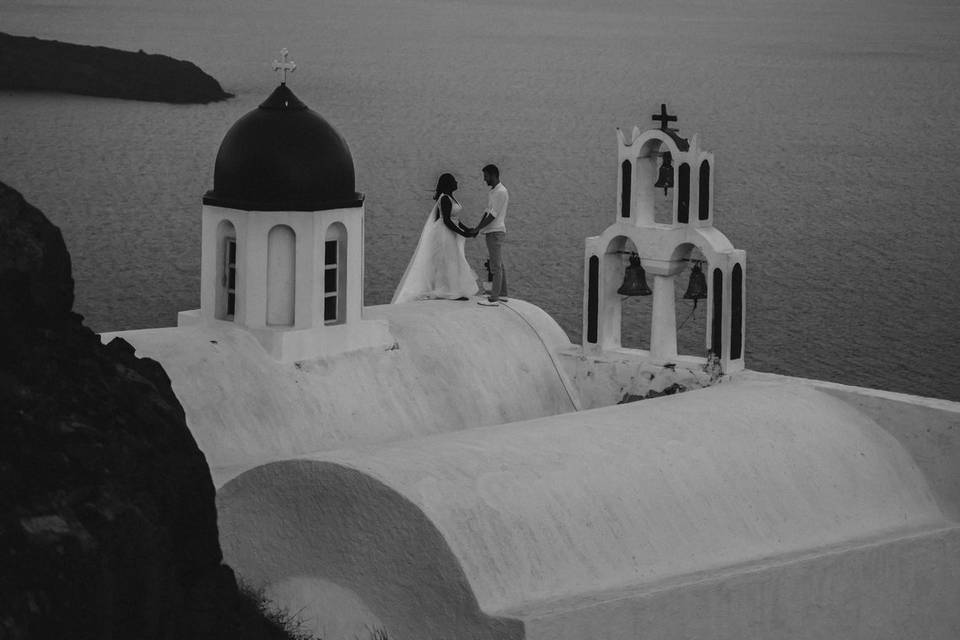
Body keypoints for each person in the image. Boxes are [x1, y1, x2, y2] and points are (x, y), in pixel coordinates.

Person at [391, 173, 482, 304]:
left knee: (453, 260)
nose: (457, 182)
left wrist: (467, 229)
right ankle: (449, 292)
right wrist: (464, 233)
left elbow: (455, 219)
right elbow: (446, 221)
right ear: (449, 184)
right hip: (444, 234)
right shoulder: (444, 198)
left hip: (450, 232)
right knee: (448, 260)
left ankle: (453, 290)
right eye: (454, 181)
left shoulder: (451, 198)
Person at [474, 164, 509, 305]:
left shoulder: (501, 192)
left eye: (486, 176)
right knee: (498, 263)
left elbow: (493, 215)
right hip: (491, 231)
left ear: (493, 175)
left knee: (495, 266)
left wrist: (478, 228)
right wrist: (477, 228)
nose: (484, 179)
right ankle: (503, 294)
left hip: (496, 232)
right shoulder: (494, 191)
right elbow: (487, 211)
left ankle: (494, 298)